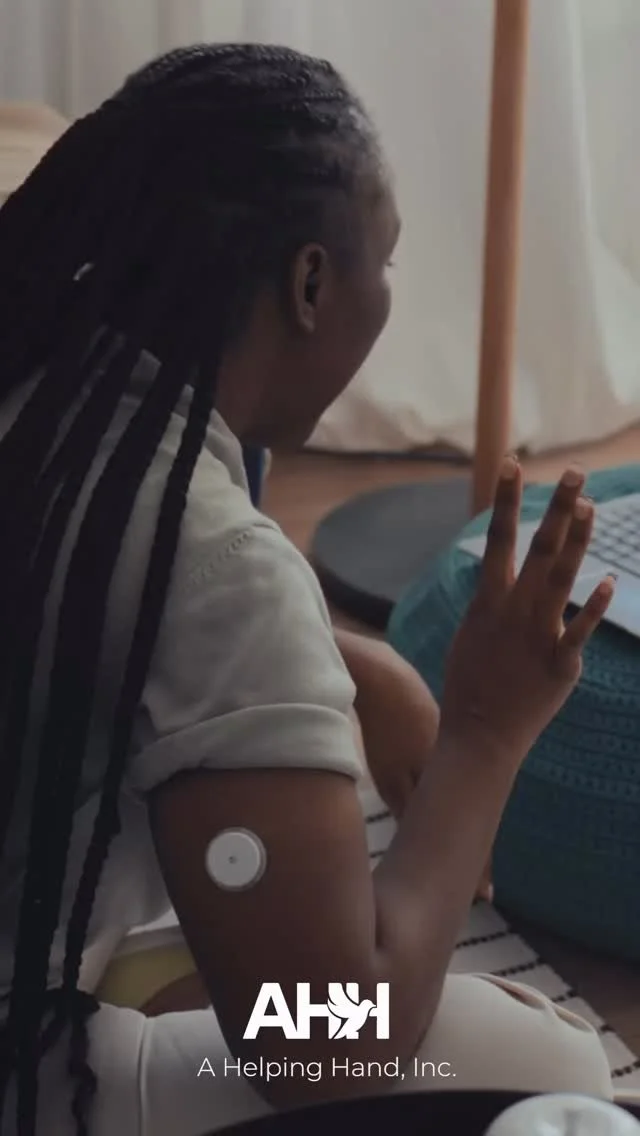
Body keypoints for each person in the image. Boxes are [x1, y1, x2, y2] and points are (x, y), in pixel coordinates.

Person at [0, 42, 616, 1136]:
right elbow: (330, 1043)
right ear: (312, 283)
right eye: (388, 261)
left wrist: (352, 661)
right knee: (546, 1061)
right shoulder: (215, 561)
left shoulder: (45, 370)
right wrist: (483, 731)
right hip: (32, 1069)